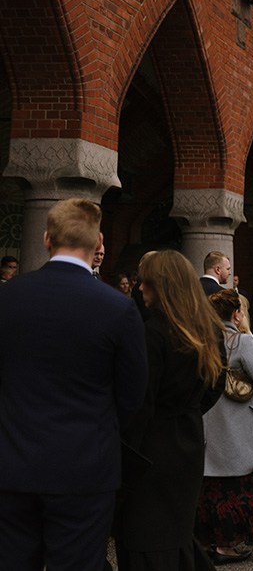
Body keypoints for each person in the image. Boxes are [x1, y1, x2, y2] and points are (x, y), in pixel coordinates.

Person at [0, 199, 147, 571]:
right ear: (99, 242)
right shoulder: (117, 307)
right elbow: (132, 393)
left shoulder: (7, 298)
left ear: (47, 238)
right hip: (85, 464)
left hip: (11, 462)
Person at [115, 249, 225, 571]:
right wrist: (186, 409)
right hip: (188, 441)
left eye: (144, 281)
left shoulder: (153, 334)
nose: (139, 288)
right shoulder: (207, 331)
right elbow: (215, 385)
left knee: (146, 538)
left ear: (160, 285)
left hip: (151, 449)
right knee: (174, 534)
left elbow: (139, 403)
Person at [196, 289, 253, 564]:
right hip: (239, 423)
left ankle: (209, 541)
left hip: (211, 421)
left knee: (213, 486)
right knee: (238, 485)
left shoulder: (203, 340)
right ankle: (227, 546)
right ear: (236, 313)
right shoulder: (242, 340)